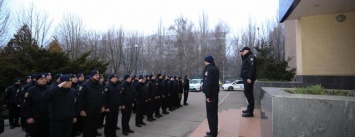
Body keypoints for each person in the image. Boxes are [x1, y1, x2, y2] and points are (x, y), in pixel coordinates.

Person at [78, 70, 105, 137]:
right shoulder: (85, 85)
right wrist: (81, 110)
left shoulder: (100, 85)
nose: (97, 76)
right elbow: (80, 99)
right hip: (88, 110)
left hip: (97, 109)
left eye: (98, 75)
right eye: (96, 75)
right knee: (87, 127)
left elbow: (102, 97)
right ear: (91, 76)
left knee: (94, 126)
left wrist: (102, 106)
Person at [203, 55, 220, 137]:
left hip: (211, 95)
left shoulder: (209, 70)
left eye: (204, 61)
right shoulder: (215, 69)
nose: (204, 62)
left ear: (207, 61)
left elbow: (208, 83)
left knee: (210, 114)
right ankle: (214, 130)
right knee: (214, 113)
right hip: (215, 94)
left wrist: (208, 96)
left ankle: (213, 133)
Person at [239, 47, 257, 117]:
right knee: (247, 93)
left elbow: (252, 68)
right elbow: (244, 62)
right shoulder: (247, 57)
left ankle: (250, 112)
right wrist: (241, 55)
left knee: (249, 94)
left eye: (242, 51)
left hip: (248, 79)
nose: (242, 53)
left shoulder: (251, 57)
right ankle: (249, 109)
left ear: (247, 51)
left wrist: (249, 78)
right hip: (246, 78)